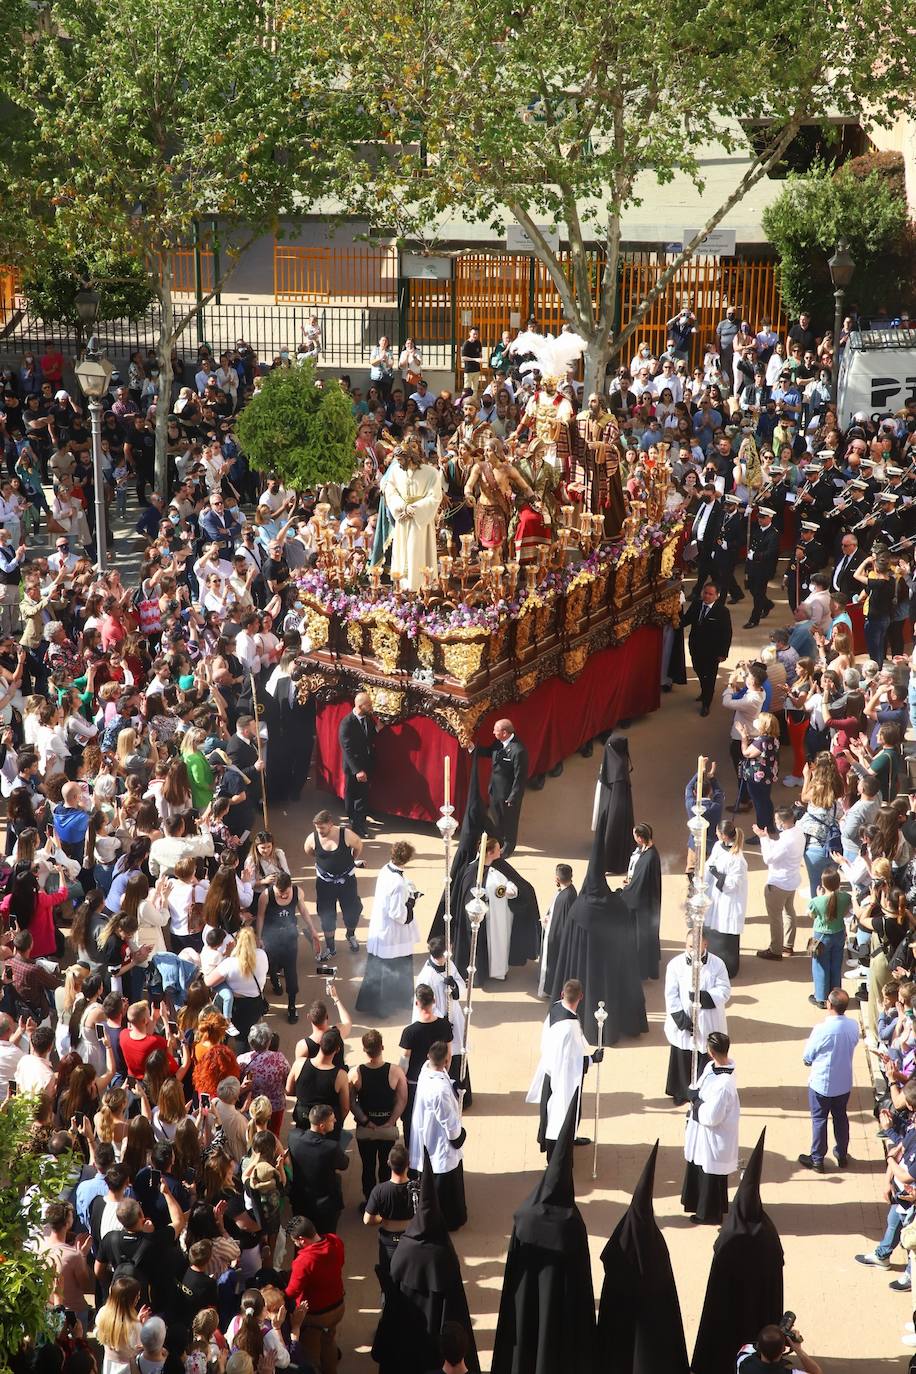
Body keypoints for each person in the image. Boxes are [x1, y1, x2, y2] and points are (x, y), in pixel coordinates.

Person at [491, 1096, 595, 1374]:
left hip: (525, 1302)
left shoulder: (525, 1215)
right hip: (559, 1309)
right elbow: (581, 1283)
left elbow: (513, 1267)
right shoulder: (572, 1224)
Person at [548, 825, 647, 1044]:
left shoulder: (578, 908)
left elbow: (567, 950)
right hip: (610, 968)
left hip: (583, 968)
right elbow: (627, 941)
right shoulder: (616, 906)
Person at [525, 978, 603, 1156]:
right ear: (581, 996)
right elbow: (568, 1064)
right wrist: (591, 1059)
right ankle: (557, 1152)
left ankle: (570, 1137)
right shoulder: (569, 1027)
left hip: (550, 1069)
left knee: (555, 1112)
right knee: (560, 1114)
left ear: (562, 995)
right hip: (561, 1079)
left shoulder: (556, 1007)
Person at [664, 936, 731, 1106]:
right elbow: (671, 994)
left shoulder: (717, 964)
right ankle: (681, 1091)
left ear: (705, 944)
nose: (693, 950)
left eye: (697, 946)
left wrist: (703, 997)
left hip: (708, 1020)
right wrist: (682, 1020)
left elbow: (724, 990)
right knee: (683, 1054)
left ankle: (705, 1092)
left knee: (705, 1056)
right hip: (685, 1020)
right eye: (690, 946)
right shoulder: (675, 965)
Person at [681, 1030, 740, 1225]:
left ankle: (709, 1214)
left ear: (711, 1052)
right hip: (701, 1132)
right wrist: (694, 1094)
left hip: (714, 1135)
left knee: (710, 1175)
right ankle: (700, 1206)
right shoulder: (710, 1067)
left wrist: (696, 1101)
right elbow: (699, 1087)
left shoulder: (724, 1084)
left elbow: (712, 1116)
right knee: (701, 1169)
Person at [798, 987, 859, 1172]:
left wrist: (808, 1061)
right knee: (841, 1118)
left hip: (821, 1084)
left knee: (819, 1119)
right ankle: (842, 1154)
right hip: (843, 1083)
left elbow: (808, 1055)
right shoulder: (853, 1026)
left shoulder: (821, 1029)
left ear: (829, 1005)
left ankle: (817, 1159)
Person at [408, 1041, 467, 1231]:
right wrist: (457, 1136)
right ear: (447, 1061)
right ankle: (446, 1221)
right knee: (443, 1184)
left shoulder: (426, 1069)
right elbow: (448, 1119)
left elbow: (443, 1077)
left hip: (428, 1133)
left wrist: (454, 1085)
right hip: (439, 1141)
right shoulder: (439, 1090)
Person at [356, 842, 419, 1018]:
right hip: (393, 934)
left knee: (378, 968)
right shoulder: (398, 883)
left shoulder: (386, 869)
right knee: (394, 969)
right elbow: (397, 914)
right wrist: (411, 902)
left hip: (381, 928)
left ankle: (372, 1004)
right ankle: (385, 1007)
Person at [349, 1029, 408, 1201]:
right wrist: (391, 1121)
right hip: (387, 1129)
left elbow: (351, 1102)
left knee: (368, 1166)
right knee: (386, 1165)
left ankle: (370, 1202)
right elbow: (402, 1100)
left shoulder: (355, 1073)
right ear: (382, 1047)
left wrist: (366, 1121)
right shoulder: (395, 1072)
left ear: (364, 1049)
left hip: (366, 1130)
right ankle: (386, 1200)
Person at [255, 871, 321, 1024]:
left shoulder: (298, 892)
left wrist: (313, 930)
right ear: (275, 887)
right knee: (271, 965)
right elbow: (260, 916)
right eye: (280, 893)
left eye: (286, 892)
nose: (284, 896)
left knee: (291, 972)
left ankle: (292, 1005)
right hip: (270, 937)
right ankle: (275, 980)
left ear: (290, 886)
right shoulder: (266, 895)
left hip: (290, 938)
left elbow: (303, 911)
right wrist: (259, 937)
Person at [284, 1215, 346, 1374]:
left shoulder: (303, 1260)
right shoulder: (335, 1241)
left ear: (302, 1239)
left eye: (295, 1241)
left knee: (310, 1355)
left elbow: (293, 1291)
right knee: (329, 1341)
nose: (295, 1245)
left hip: (315, 1316)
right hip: (338, 1306)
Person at [304, 810, 364, 957]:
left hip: (347, 882)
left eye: (322, 828)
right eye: (317, 828)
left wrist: (351, 860)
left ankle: (350, 935)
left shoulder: (346, 834)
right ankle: (331, 948)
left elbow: (358, 846)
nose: (320, 831)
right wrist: (324, 861)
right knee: (326, 916)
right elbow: (309, 851)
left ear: (331, 824)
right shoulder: (312, 838)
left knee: (352, 912)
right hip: (325, 884)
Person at [385, 445, 442, 592]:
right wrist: (402, 507)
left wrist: (415, 509)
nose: (398, 463)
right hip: (403, 518)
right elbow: (390, 491)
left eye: (400, 460)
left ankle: (421, 585)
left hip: (420, 520)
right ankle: (403, 585)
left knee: (417, 549)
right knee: (403, 551)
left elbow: (435, 496)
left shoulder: (431, 472)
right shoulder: (396, 472)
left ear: (409, 457)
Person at [286, 1103, 349, 1236]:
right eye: (332, 1120)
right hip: (325, 1205)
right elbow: (344, 1164)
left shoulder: (293, 1137)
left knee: (302, 1237)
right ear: (322, 1126)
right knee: (326, 1239)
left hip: (301, 1200)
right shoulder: (331, 1147)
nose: (335, 1121)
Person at [755, 807, 806, 960]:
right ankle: (788, 945)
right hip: (791, 881)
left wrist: (763, 839)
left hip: (778, 884)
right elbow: (778, 850)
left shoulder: (786, 840)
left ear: (782, 823)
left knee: (776, 918)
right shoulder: (799, 833)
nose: (775, 823)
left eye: (777, 821)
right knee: (789, 912)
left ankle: (776, 950)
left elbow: (768, 858)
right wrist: (767, 839)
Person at [363, 1140, 414, 1279]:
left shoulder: (379, 1190)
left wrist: (381, 1218)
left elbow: (367, 1220)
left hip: (388, 1242)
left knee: (388, 1278)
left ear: (388, 1163)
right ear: (408, 1164)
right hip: (410, 1239)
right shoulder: (417, 1188)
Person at [703, 820, 749, 977]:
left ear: (723, 835)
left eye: (717, 831)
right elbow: (710, 864)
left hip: (729, 901)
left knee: (725, 935)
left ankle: (729, 968)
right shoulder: (718, 846)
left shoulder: (737, 858)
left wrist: (717, 875)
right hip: (715, 896)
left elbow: (734, 884)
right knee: (713, 930)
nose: (715, 833)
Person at [478, 719, 528, 859]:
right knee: (497, 819)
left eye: (496, 730)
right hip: (495, 791)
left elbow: (520, 777)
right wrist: (472, 748)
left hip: (508, 795)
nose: (493, 732)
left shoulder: (518, 751)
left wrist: (513, 796)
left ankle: (508, 847)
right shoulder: (498, 743)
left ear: (505, 733)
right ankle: (498, 843)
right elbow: (489, 752)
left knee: (509, 822)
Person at [684, 582, 733, 717]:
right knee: (698, 671)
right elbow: (687, 619)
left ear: (717, 596)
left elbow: (727, 633)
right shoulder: (696, 604)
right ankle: (704, 691)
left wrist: (723, 653)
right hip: (695, 647)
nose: (707, 596)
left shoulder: (722, 611)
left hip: (712, 651)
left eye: (710, 594)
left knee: (709, 677)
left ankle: (706, 703)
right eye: (705, 593)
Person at [620, 823, 662, 981]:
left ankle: (640, 970)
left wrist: (625, 892)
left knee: (641, 938)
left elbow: (640, 885)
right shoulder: (645, 852)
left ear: (640, 838)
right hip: (644, 901)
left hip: (642, 906)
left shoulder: (649, 858)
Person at [592, 733, 635, 874]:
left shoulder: (618, 772)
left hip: (614, 816)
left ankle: (608, 863)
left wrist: (609, 820)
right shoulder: (617, 763)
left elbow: (616, 803)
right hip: (611, 811)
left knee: (612, 838)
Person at [337, 691, 376, 839]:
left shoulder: (368, 719)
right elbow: (347, 749)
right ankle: (354, 822)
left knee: (362, 795)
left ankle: (359, 823)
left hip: (366, 764)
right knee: (352, 795)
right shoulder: (347, 723)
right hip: (353, 768)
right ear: (360, 706)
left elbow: (369, 736)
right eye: (368, 705)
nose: (371, 707)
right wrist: (357, 770)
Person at [538, 863, 577, 997]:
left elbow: (561, 920)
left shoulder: (565, 897)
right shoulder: (569, 892)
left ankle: (550, 990)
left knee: (553, 964)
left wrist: (548, 922)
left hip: (556, 937)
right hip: (558, 934)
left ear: (557, 879)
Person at [743, 507, 781, 629]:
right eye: (759, 517)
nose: (760, 520)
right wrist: (746, 515)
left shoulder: (773, 534)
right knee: (752, 589)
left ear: (769, 518)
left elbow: (771, 552)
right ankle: (767, 604)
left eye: (763, 518)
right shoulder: (757, 528)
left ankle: (754, 620)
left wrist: (755, 555)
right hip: (752, 566)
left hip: (763, 568)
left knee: (758, 594)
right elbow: (745, 527)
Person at [736, 1324, 824, 1374]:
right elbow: (817, 1372)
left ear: (759, 1347)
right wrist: (798, 1349)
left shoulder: (743, 1362)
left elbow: (750, 1347)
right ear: (784, 1349)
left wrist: (774, 1337)